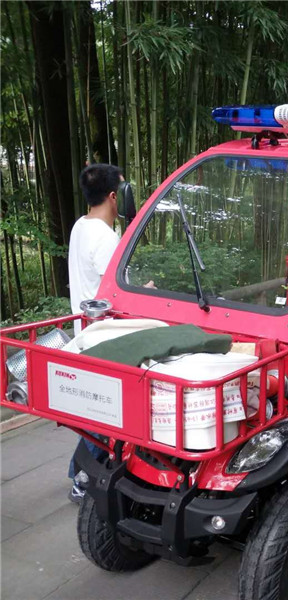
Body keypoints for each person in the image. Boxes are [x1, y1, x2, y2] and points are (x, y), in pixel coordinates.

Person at [66, 164, 123, 503]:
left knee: (94, 413)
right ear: (114, 196)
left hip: (85, 332)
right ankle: (82, 478)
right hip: (104, 337)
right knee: (105, 416)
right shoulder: (105, 237)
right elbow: (116, 293)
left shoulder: (80, 226)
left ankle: (80, 473)